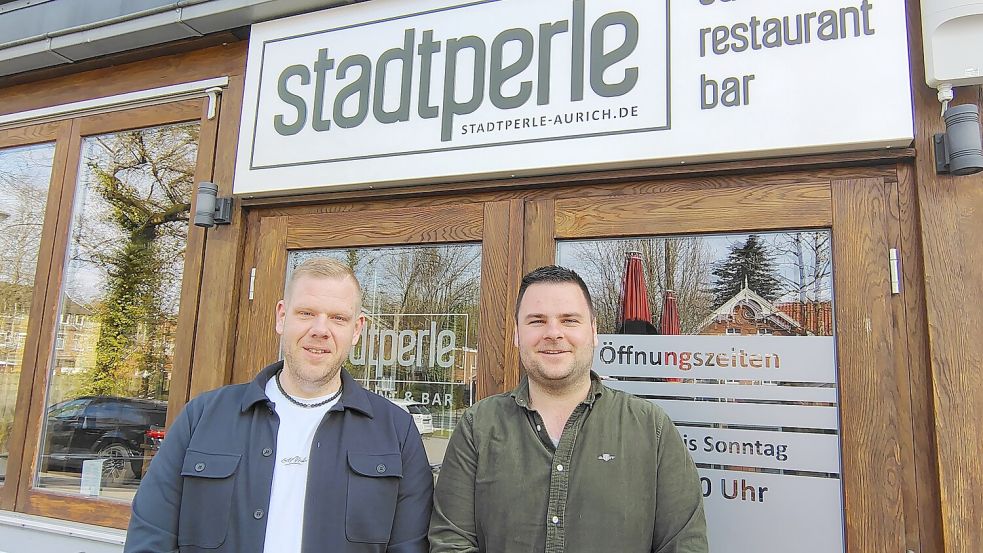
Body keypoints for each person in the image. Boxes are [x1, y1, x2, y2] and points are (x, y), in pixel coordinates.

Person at [125, 258, 433, 553]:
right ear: (282, 317)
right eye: (306, 313)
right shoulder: (202, 417)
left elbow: (409, 546)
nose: (320, 330)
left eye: (338, 318)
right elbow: (151, 537)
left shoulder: (396, 431)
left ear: (356, 329)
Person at [430, 265, 708, 553]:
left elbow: (685, 545)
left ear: (593, 331)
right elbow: (451, 543)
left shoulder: (652, 428)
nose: (553, 333)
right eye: (537, 321)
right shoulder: (478, 427)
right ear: (516, 334)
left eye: (569, 320)